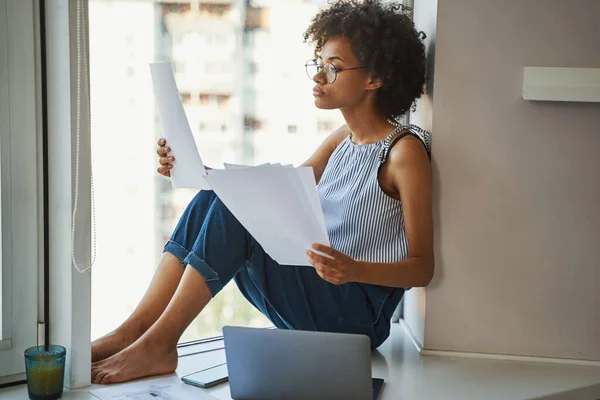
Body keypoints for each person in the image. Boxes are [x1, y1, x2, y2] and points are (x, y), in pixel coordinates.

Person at [91, 0, 433, 384]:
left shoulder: (405, 153)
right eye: (318, 64)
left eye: (333, 68)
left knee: (237, 208)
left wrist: (352, 269)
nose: (318, 77)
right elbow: (269, 195)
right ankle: (137, 330)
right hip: (320, 293)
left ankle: (160, 343)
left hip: (355, 317)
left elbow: (423, 267)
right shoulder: (342, 139)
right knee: (215, 198)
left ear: (375, 78)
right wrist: (192, 169)